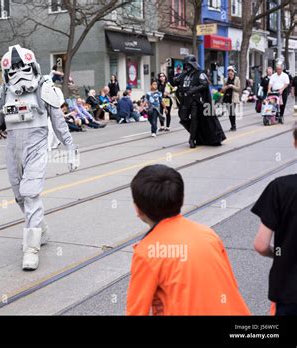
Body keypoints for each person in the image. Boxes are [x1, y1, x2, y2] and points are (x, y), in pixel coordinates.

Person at [0, 45, 79, 271]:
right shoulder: (4, 91)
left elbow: (59, 121)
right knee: (19, 196)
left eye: (22, 68)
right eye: (12, 70)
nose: (18, 73)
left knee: (30, 193)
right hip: (13, 148)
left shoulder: (44, 88)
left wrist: (71, 148)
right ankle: (40, 228)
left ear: (32, 66)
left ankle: (31, 249)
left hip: (36, 146)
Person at [126, 164, 251, 315]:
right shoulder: (208, 234)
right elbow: (230, 285)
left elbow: (137, 311)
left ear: (138, 209)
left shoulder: (146, 252)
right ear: (181, 199)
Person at [252, 125, 297, 315]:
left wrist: (279, 253)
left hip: (289, 290)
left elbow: (261, 245)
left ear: (295, 144)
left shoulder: (280, 188)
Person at [172, 55, 226, 148]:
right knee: (183, 118)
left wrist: (193, 90)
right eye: (185, 65)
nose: (186, 67)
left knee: (194, 118)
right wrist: (176, 78)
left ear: (192, 64)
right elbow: (175, 82)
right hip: (184, 100)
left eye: (188, 65)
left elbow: (204, 84)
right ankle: (197, 134)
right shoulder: (184, 74)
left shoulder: (200, 74)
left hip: (195, 100)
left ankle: (192, 139)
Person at [221, 66, 241, 132]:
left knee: (232, 111)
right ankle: (232, 125)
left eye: (231, 71)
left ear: (233, 72)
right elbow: (222, 89)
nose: (230, 73)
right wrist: (226, 87)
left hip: (233, 98)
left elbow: (238, 89)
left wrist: (232, 86)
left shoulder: (237, 79)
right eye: (229, 72)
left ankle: (234, 125)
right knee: (230, 112)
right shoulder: (225, 79)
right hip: (227, 97)